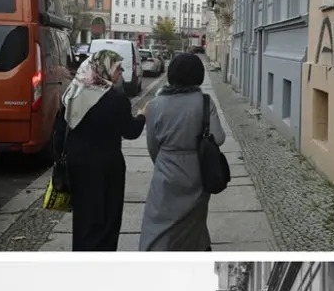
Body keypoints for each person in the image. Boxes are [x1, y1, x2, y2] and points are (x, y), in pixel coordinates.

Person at [53, 50, 148, 251]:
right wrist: (142, 116)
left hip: (78, 165)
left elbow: (60, 132)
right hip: (107, 167)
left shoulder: (73, 93)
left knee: (83, 217)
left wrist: (62, 159)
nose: (121, 73)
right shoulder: (115, 98)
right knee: (108, 218)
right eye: (117, 68)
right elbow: (130, 131)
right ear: (104, 68)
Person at [139, 52, 225, 251]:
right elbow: (218, 137)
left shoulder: (155, 105)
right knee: (193, 222)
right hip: (197, 173)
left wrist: (164, 162)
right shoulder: (204, 102)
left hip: (166, 170)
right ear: (199, 75)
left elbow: (152, 146)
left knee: (158, 222)